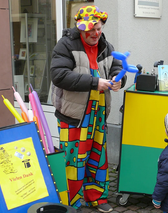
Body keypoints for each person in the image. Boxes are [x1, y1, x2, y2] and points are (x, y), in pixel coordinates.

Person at [50, 5, 127, 213]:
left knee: (98, 156)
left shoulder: (106, 46)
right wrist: (95, 82)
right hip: (73, 115)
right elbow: (59, 75)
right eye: (90, 30)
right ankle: (72, 203)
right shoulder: (65, 45)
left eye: (99, 28)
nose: (95, 34)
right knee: (73, 160)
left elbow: (117, 67)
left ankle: (97, 197)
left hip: (99, 113)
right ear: (81, 29)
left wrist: (118, 79)